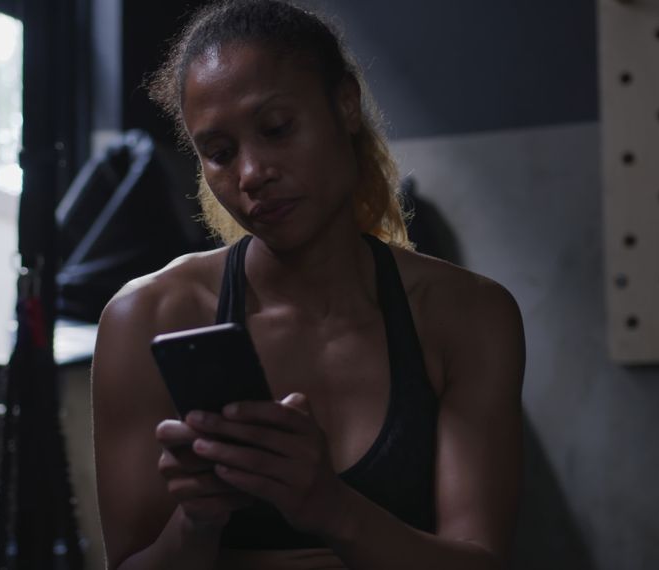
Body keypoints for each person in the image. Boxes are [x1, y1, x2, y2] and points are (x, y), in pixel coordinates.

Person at [90, 1, 525, 568]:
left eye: (277, 128)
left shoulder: (467, 317)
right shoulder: (147, 318)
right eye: (220, 154)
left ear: (345, 104)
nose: (251, 174)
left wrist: (329, 507)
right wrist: (196, 522)